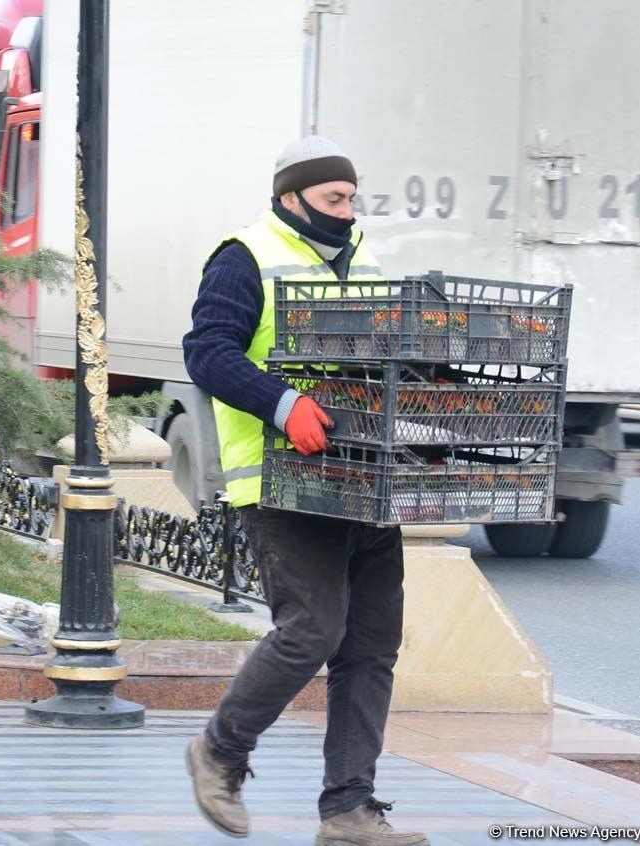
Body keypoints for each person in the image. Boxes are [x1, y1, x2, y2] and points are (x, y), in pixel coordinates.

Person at [181, 136, 429, 846]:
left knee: (371, 645)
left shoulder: (362, 259)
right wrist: (282, 404)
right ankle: (219, 750)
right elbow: (208, 350)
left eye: (352, 198)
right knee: (312, 630)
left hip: (364, 478)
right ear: (290, 198)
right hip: (281, 481)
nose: (347, 212)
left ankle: (349, 811)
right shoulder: (245, 256)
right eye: (333, 198)